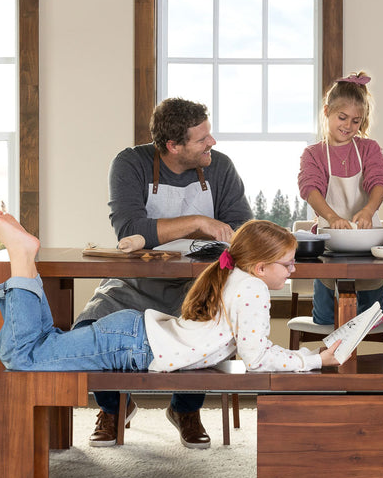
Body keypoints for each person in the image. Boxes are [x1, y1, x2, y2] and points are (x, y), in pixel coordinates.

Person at [75, 98, 252, 449]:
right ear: (173, 146)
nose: (212, 143)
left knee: (208, 328)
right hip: (134, 280)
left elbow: (241, 228)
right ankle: (115, 405)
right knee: (91, 328)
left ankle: (186, 409)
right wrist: (201, 222)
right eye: (202, 139)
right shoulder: (131, 164)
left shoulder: (220, 167)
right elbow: (129, 229)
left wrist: (161, 231)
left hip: (198, 283)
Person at [0, 212, 341, 377]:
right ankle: (22, 255)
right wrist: (313, 359)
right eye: (288, 265)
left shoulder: (235, 274)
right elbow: (257, 359)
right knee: (23, 357)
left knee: (34, 349)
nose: (293, 271)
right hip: (132, 344)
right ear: (261, 267)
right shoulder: (253, 290)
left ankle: (24, 261)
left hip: (132, 336)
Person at [297, 72, 383, 325]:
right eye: (342, 117)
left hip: (367, 245)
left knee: (372, 322)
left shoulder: (369, 148)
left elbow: (380, 182)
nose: (348, 126)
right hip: (330, 246)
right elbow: (310, 189)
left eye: (355, 121)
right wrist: (332, 217)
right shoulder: (313, 154)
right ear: (327, 111)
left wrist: (369, 210)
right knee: (327, 321)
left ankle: (362, 365)